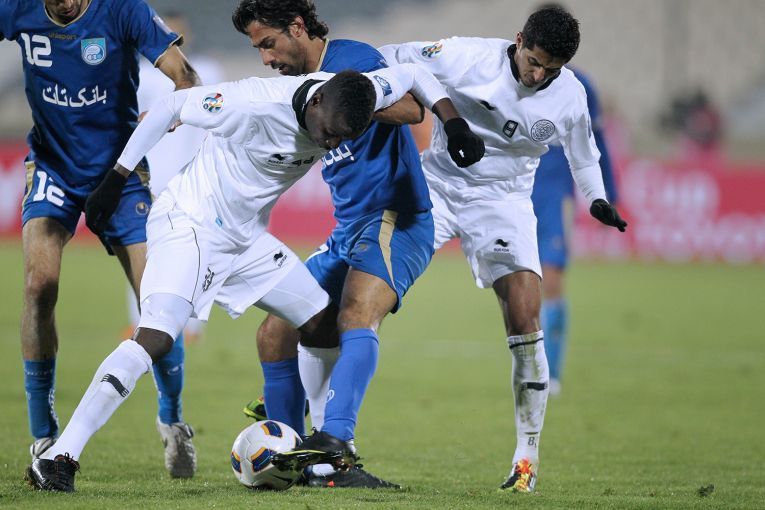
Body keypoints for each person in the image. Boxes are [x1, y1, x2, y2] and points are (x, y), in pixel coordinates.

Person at [25, 61, 484, 492]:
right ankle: (60, 456)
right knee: (158, 335)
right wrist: (116, 178)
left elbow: (414, 73)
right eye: (329, 133)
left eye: (342, 139)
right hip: (191, 224)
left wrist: (454, 123)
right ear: (317, 101)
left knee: (321, 322)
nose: (330, 145)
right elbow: (171, 106)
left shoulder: (356, 93)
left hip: (245, 239)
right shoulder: (252, 102)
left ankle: (323, 461)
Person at [377, 5, 628, 493]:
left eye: (551, 69)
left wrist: (597, 199)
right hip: (437, 187)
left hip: (505, 201)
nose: (538, 76)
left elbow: (584, 156)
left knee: (525, 315)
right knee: (372, 295)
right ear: (518, 41)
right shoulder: (466, 57)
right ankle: (330, 432)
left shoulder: (570, 94)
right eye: (533, 62)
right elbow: (394, 55)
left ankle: (525, 460)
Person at [230, 0, 463, 488]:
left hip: (396, 217)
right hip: (347, 229)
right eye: (257, 50)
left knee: (355, 314)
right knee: (274, 332)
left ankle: (337, 449)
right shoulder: (290, 86)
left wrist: (345, 102)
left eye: (269, 44)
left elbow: (412, 107)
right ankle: (293, 456)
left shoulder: (351, 57)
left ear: (297, 27)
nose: (266, 58)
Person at [0, 0, 201, 478]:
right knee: (38, 286)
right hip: (53, 167)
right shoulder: (17, 8)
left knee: (159, 303)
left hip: (121, 174)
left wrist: (176, 109)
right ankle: (44, 434)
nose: (67, 4)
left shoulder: (123, 10)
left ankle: (173, 421)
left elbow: (185, 77)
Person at [125, 10, 226, 343]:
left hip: (198, 175)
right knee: (144, 251)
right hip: (153, 175)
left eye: (178, 33)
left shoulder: (207, 71)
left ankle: (192, 327)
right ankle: (143, 321)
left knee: (199, 251)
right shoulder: (141, 75)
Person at [532, 65, 619, 396]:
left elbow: (598, 141)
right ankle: (528, 366)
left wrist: (607, 195)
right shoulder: (511, 75)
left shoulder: (580, 85)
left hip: (555, 195)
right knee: (518, 283)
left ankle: (550, 374)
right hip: (513, 190)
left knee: (552, 279)